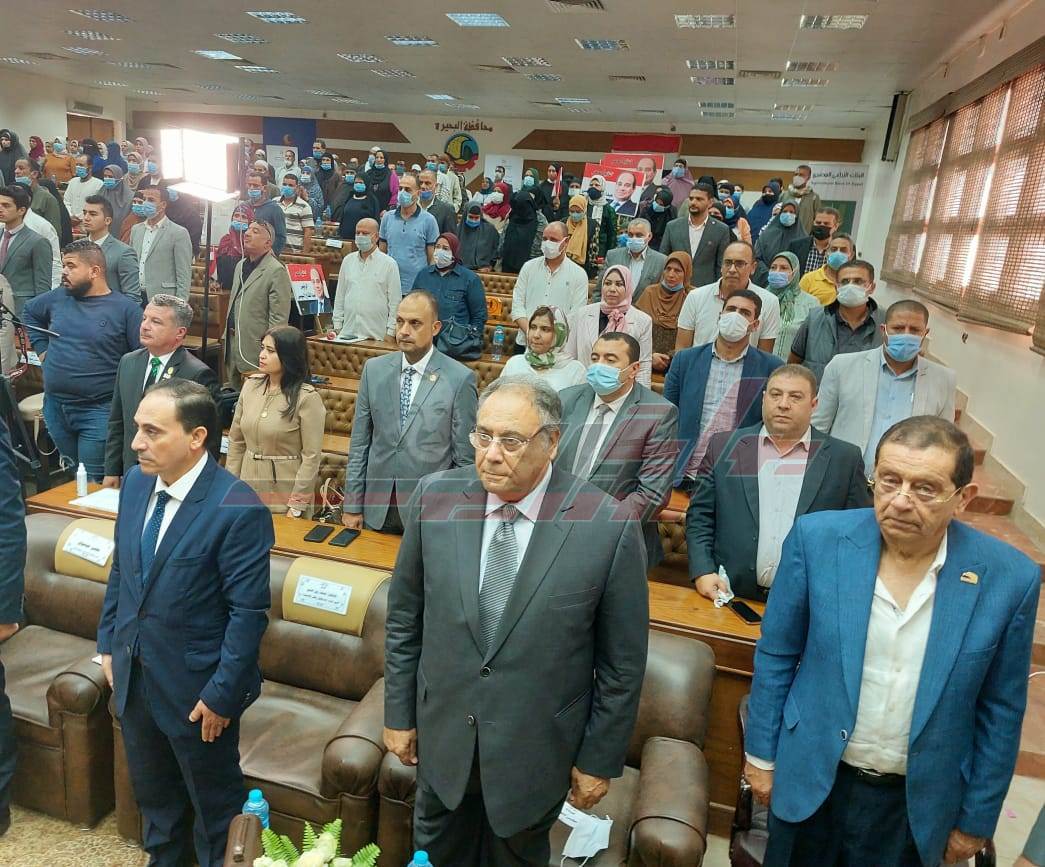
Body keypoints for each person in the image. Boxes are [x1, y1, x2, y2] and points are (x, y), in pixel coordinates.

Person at [744, 415, 1040, 867]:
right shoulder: (818, 541)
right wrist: (761, 755)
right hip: (812, 781)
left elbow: (1001, 709)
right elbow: (777, 653)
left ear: (963, 498)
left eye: (925, 489)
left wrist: (976, 819)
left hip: (917, 806)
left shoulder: (1008, 579)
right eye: (889, 480)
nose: (900, 501)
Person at [383, 375, 648, 867]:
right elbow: (404, 618)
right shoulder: (434, 498)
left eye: (510, 441)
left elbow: (622, 666)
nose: (490, 455)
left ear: (551, 442)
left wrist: (597, 759)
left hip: (534, 756)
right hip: (444, 744)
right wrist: (398, 714)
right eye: (483, 436)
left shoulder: (606, 526)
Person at [97, 379, 273, 867]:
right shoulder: (136, 484)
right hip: (136, 681)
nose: (137, 443)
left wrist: (221, 695)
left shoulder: (238, 508)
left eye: (153, 432)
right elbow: (123, 571)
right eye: (137, 429)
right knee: (157, 808)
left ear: (197, 437)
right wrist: (108, 644)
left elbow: (247, 615)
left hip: (199, 695)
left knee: (215, 817)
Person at [687, 364, 870, 602]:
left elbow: (856, 533)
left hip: (809, 602)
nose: (783, 404)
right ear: (764, 399)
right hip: (728, 594)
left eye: (795, 397)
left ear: (814, 404)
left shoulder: (844, 459)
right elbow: (700, 516)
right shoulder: (724, 447)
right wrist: (703, 570)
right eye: (776, 394)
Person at [344, 291, 478, 533]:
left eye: (415, 323)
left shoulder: (460, 379)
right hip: (376, 507)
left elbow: (464, 461)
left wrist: (453, 515)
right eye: (400, 321)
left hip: (431, 511)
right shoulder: (374, 370)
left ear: (435, 328)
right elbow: (359, 444)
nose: (404, 331)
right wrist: (352, 505)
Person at [22, 240, 142, 480]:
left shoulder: (126, 310)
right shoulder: (58, 297)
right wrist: (43, 350)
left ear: (94, 271)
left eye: (71, 266)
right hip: (55, 406)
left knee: (93, 482)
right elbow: (29, 312)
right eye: (64, 265)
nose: (64, 272)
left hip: (98, 410)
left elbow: (141, 357)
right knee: (73, 476)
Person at [559, 332, 678, 563]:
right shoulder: (566, 400)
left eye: (610, 359)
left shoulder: (659, 413)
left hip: (615, 543)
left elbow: (652, 494)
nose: (599, 366)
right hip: (556, 530)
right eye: (595, 358)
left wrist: (594, 526)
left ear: (634, 369)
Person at [812, 300, 957, 475]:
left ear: (925, 333)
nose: (906, 335)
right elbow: (818, 427)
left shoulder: (944, 379)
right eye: (898, 328)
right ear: (884, 330)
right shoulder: (842, 367)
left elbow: (944, 442)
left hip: (904, 483)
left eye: (914, 330)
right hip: (842, 476)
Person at [665, 288, 783, 488]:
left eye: (744, 313)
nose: (735, 316)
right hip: (684, 473)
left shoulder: (771, 368)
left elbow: (772, 424)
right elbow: (666, 416)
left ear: (755, 325)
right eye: (731, 309)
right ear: (720, 316)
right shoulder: (685, 360)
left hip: (735, 479)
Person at [103, 294, 220, 486]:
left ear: (180, 332)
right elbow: (117, 421)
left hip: (173, 477)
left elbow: (208, 441)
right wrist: (112, 470)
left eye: (156, 322)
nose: (145, 326)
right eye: (144, 318)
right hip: (132, 472)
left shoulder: (197, 374)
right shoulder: (128, 362)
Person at [226, 326, 325, 517]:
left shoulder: (307, 397)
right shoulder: (251, 385)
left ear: (288, 356)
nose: (262, 355)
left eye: (270, 351)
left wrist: (297, 504)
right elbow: (236, 441)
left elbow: (311, 457)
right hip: (246, 488)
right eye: (262, 348)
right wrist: (230, 488)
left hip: (284, 493)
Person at [223, 219, 294, 390]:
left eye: (255, 232)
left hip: (256, 348)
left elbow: (278, 319)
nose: (247, 234)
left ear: (268, 243)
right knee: (233, 396)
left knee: (256, 396)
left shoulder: (276, 270)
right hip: (232, 342)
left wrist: (270, 350)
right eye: (248, 230)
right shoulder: (240, 265)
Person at [675, 240, 781, 353]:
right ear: (721, 266)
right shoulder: (696, 297)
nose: (732, 270)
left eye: (740, 264)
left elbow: (764, 355)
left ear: (753, 268)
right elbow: (682, 349)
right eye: (728, 263)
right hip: (698, 364)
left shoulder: (769, 302)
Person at [789, 258, 885, 380]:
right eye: (845, 281)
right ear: (836, 287)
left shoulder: (885, 322)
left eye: (858, 281)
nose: (850, 286)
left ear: (872, 287)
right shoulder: (814, 319)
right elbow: (793, 363)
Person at [565, 264, 653, 386]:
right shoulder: (583, 314)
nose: (612, 289)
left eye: (619, 284)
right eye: (607, 283)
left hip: (622, 388)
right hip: (584, 385)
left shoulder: (643, 321)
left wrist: (641, 397)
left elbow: (643, 367)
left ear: (628, 287)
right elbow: (570, 356)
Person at [510, 222, 589, 352]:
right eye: (545, 239)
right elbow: (517, 306)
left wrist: (551, 338)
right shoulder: (528, 267)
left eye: (553, 240)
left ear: (566, 241)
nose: (548, 243)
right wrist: (532, 333)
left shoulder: (579, 274)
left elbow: (576, 315)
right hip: (525, 342)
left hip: (559, 348)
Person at [411, 232, 487, 360]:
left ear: (455, 252)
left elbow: (479, 316)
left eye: (445, 248)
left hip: (454, 345)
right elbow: (412, 305)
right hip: (423, 341)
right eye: (437, 247)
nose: (440, 251)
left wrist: (468, 340)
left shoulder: (470, 279)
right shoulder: (423, 275)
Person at [329, 217, 400, 342]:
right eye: (358, 233)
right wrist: (338, 326)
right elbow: (340, 296)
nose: (360, 236)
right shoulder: (348, 261)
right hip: (347, 334)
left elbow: (395, 303)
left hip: (377, 336)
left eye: (365, 233)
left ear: (376, 237)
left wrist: (390, 332)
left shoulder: (389, 264)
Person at [659, 183, 732, 287]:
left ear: (710, 202)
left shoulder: (721, 230)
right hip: (674, 287)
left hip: (704, 289)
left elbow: (721, 265)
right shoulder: (673, 226)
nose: (693, 202)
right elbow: (663, 259)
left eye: (699, 199)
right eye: (691, 198)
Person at [502, 305, 588, 392]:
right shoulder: (514, 363)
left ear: (559, 334)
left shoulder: (576, 371)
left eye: (545, 329)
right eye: (533, 327)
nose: (536, 335)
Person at [379, 172, 439, 296]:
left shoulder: (429, 220)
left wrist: (431, 282)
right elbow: (382, 252)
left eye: (407, 190)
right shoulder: (387, 218)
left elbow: (432, 257)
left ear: (418, 193)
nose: (402, 193)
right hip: (389, 285)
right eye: (400, 189)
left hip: (416, 287)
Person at [129, 186, 192, 302]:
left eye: (151, 200)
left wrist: (180, 304)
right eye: (145, 199)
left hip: (163, 297)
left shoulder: (178, 233)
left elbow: (184, 274)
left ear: (163, 205)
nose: (146, 203)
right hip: (135, 296)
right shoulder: (136, 230)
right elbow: (131, 263)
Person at [635, 250, 693, 373]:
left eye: (677, 271)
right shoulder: (650, 293)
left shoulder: (692, 297)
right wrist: (651, 356)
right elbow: (635, 330)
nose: (671, 274)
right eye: (668, 269)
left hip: (678, 366)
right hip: (645, 362)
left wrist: (670, 358)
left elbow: (694, 336)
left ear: (687, 273)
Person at [0, 184, 54, 313]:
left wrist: (39, 316)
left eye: (6, 205)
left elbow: (42, 286)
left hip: (20, 310)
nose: (0, 209)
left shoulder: (38, 241)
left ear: (21, 210)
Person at [81, 195, 142, 303]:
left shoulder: (123, 252)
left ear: (107, 220)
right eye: (84, 213)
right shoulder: (76, 247)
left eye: (93, 214)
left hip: (108, 310)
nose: (86, 218)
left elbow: (132, 297)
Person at [596, 217, 668, 304]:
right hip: (613, 309)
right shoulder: (613, 256)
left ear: (649, 236)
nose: (634, 238)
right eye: (630, 235)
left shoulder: (661, 261)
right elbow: (599, 290)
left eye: (639, 235)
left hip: (643, 310)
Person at [764, 252, 820, 362]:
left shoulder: (811, 303)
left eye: (784, 268)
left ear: (795, 272)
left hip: (792, 368)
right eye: (773, 267)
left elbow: (813, 341)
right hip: (760, 366)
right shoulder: (760, 298)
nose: (777, 272)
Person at [798, 232, 856, 306]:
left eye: (843, 250)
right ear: (826, 253)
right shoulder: (809, 279)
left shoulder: (856, 282)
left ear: (851, 255)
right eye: (834, 249)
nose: (838, 253)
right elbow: (798, 308)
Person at [500, 179, 543, 274]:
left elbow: (540, 245)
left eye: (523, 207)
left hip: (530, 265)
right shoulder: (512, 217)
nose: (520, 210)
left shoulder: (540, 221)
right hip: (507, 263)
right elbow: (503, 240)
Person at [13, 159, 61, 238]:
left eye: (21, 168)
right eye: (16, 168)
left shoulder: (47, 198)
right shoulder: (12, 196)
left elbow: (54, 232)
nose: (16, 171)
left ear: (34, 174)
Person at [754, 201, 807, 269]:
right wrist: (766, 272)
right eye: (785, 211)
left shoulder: (803, 238)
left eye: (791, 212)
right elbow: (757, 257)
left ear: (797, 215)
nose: (788, 214)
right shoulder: (766, 234)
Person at [789, 207, 841, 277]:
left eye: (826, 224)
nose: (821, 225)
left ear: (835, 226)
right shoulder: (796, 246)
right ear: (813, 222)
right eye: (818, 223)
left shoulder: (840, 250)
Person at [245, 172, 288, 255]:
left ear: (264, 188)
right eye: (249, 185)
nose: (251, 188)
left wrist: (269, 255)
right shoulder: (243, 207)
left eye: (255, 186)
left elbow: (281, 238)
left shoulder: (274, 209)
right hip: (243, 255)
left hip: (264, 257)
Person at [214, 203, 253, 291]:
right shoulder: (225, 240)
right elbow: (217, 266)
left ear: (250, 221)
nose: (239, 219)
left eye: (243, 217)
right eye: (236, 215)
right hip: (224, 290)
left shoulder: (253, 243)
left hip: (245, 290)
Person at [779, 163, 823, 233]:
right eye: (796, 174)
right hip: (784, 234)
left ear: (808, 177)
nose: (797, 177)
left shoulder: (814, 197)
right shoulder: (784, 195)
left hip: (804, 235)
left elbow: (818, 219)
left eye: (801, 175)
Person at [335, 170, 379, 239]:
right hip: (346, 237)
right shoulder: (350, 197)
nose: (358, 184)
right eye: (356, 182)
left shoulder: (371, 200)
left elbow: (375, 220)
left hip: (363, 238)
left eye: (361, 183)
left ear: (366, 183)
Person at [276, 173, 315, 251]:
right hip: (276, 251)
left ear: (297, 188)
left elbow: (308, 232)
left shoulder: (304, 206)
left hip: (295, 252)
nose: (287, 187)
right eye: (284, 184)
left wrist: (305, 253)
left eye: (290, 185)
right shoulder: (274, 202)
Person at [457, 201, 500, 271]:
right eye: (470, 217)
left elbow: (496, 251)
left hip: (483, 270)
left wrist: (490, 266)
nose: (473, 220)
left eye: (476, 218)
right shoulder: (457, 230)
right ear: (465, 215)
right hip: (460, 270)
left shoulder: (490, 230)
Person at [64, 155, 104, 225]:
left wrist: (80, 217)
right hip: (70, 220)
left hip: (88, 221)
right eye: (77, 165)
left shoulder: (99, 184)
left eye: (81, 165)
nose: (78, 167)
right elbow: (66, 201)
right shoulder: (73, 181)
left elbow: (97, 206)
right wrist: (70, 215)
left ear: (90, 167)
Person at [416, 169, 457, 235]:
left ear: (436, 186)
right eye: (420, 183)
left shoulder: (446, 210)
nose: (423, 186)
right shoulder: (411, 206)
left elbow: (450, 238)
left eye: (427, 183)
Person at [638, 185, 676, 250]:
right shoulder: (646, 209)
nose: (657, 205)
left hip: (660, 244)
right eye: (657, 202)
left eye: (661, 205)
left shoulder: (671, 214)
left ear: (667, 206)